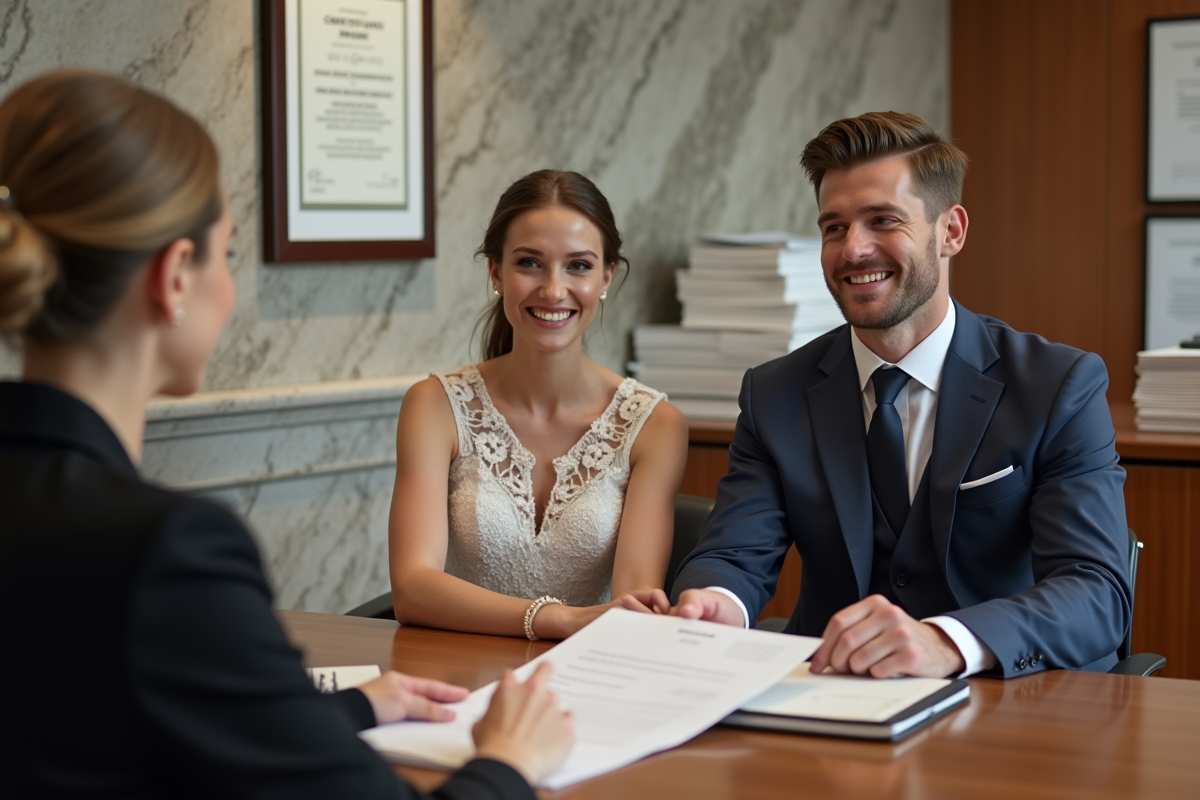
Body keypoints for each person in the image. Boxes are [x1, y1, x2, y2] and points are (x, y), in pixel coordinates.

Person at [0, 69, 573, 799]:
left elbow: (97, 723)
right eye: (229, 253)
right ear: (175, 276)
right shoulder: (166, 553)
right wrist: (509, 762)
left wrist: (351, 708)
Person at [670, 111, 1130, 680]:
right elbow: (734, 552)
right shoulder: (774, 393)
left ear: (951, 231)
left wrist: (946, 642)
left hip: (1009, 704)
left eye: (882, 220)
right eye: (833, 227)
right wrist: (715, 602)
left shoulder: (1058, 386)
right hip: (832, 701)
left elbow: (1097, 591)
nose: (853, 249)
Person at [388, 170, 689, 640]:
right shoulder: (433, 406)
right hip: (449, 671)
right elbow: (413, 588)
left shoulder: (654, 425)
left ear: (607, 276)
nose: (553, 290)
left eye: (579, 266)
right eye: (529, 263)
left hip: (587, 677)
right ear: (496, 272)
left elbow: (633, 601)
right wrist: (556, 619)